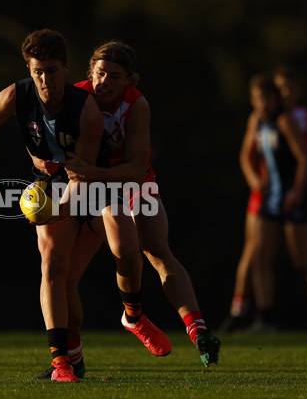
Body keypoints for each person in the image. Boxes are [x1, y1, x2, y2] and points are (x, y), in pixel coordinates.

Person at [0, 29, 171, 383]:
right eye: (38, 71)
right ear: (29, 69)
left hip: (91, 184)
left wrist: (50, 211)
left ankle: (133, 316)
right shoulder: (17, 95)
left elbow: (81, 178)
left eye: (52, 71)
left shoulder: (85, 110)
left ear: (67, 68)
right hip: (51, 186)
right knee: (55, 270)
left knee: (128, 250)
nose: (45, 79)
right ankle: (64, 362)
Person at [31, 41, 221, 379]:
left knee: (154, 248)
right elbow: (43, 138)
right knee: (68, 273)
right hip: (89, 186)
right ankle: (73, 355)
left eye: (115, 77)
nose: (105, 82)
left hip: (129, 182)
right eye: (100, 74)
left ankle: (195, 329)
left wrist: (91, 174)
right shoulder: (75, 97)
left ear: (129, 80)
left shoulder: (136, 105)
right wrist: (43, 163)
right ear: (90, 72)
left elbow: (135, 168)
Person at [221, 68, 307, 334]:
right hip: (268, 197)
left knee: (304, 260)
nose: (265, 102)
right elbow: (246, 155)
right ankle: (265, 320)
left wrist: (297, 190)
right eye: (259, 98)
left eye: (269, 97)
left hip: (293, 196)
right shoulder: (258, 121)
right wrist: (253, 179)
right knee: (259, 255)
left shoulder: (288, 120)